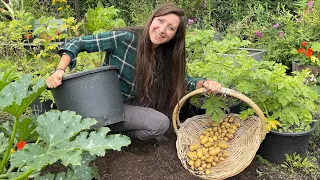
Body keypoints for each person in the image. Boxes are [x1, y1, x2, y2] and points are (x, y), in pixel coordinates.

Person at [46, 3, 221, 142]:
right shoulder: (125, 39)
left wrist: (205, 83)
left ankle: (117, 134)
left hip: (130, 102)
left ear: (175, 35)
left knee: (160, 106)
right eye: (160, 21)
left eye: (170, 28)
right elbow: (77, 42)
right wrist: (59, 70)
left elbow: (184, 81)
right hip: (106, 108)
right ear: (152, 19)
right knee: (160, 124)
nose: (162, 30)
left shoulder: (164, 55)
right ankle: (113, 136)